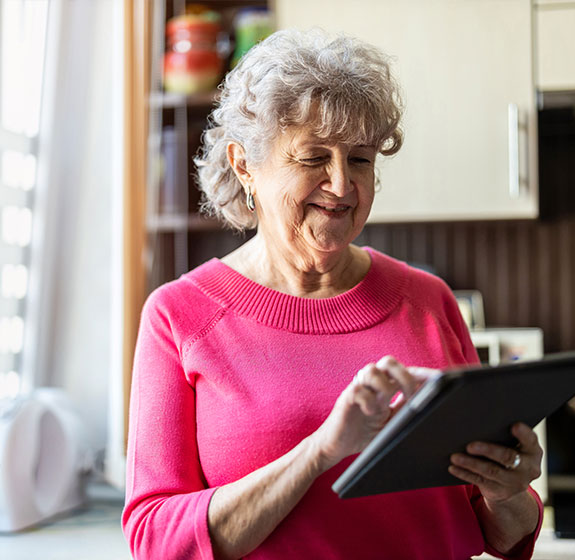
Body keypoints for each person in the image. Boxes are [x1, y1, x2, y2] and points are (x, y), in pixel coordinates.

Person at [122, 29, 543, 560]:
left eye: (361, 159)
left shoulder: (428, 301)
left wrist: (507, 492)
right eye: (314, 157)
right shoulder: (180, 316)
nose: (342, 186)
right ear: (244, 163)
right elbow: (156, 541)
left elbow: (502, 534)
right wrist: (321, 451)